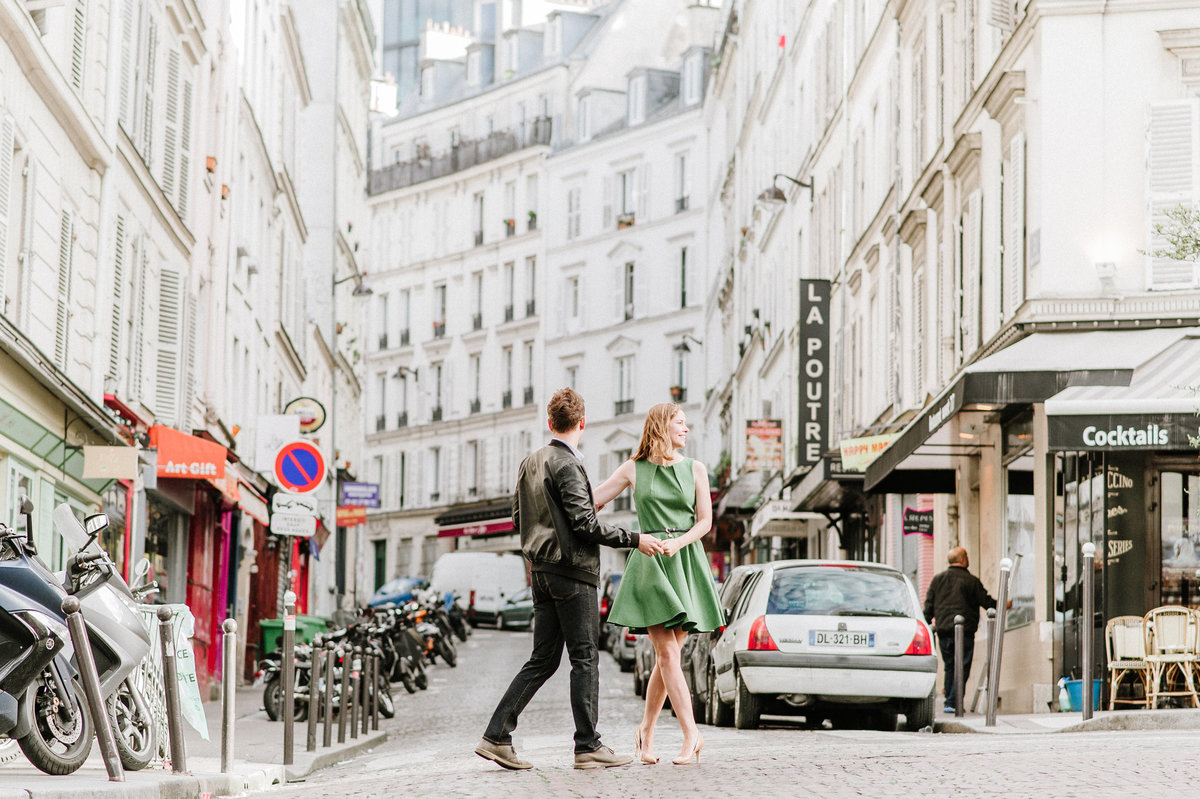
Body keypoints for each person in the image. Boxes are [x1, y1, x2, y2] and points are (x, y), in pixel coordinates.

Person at [475, 388, 666, 771]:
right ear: (582, 423)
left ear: (550, 423)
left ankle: (497, 736)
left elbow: (518, 519)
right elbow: (585, 523)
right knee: (585, 657)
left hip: (541, 573)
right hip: (573, 572)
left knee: (543, 660)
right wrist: (635, 540)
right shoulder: (568, 464)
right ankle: (588, 745)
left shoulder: (530, 461)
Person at [593, 403, 723, 766]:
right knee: (667, 653)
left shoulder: (695, 468)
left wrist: (678, 543)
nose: (686, 429)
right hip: (649, 563)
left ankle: (646, 731)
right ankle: (691, 733)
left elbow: (704, 522)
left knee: (669, 658)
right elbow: (592, 502)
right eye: (680, 423)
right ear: (662, 426)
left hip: (684, 562)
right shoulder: (633, 468)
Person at [923, 547, 999, 713]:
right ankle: (953, 701)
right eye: (967, 556)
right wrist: (1003, 604)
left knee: (950, 665)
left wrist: (925, 624)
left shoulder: (938, 579)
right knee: (962, 666)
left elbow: (928, 606)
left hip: (943, 630)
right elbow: (986, 602)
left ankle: (950, 701)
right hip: (963, 631)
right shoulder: (971, 581)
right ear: (963, 560)